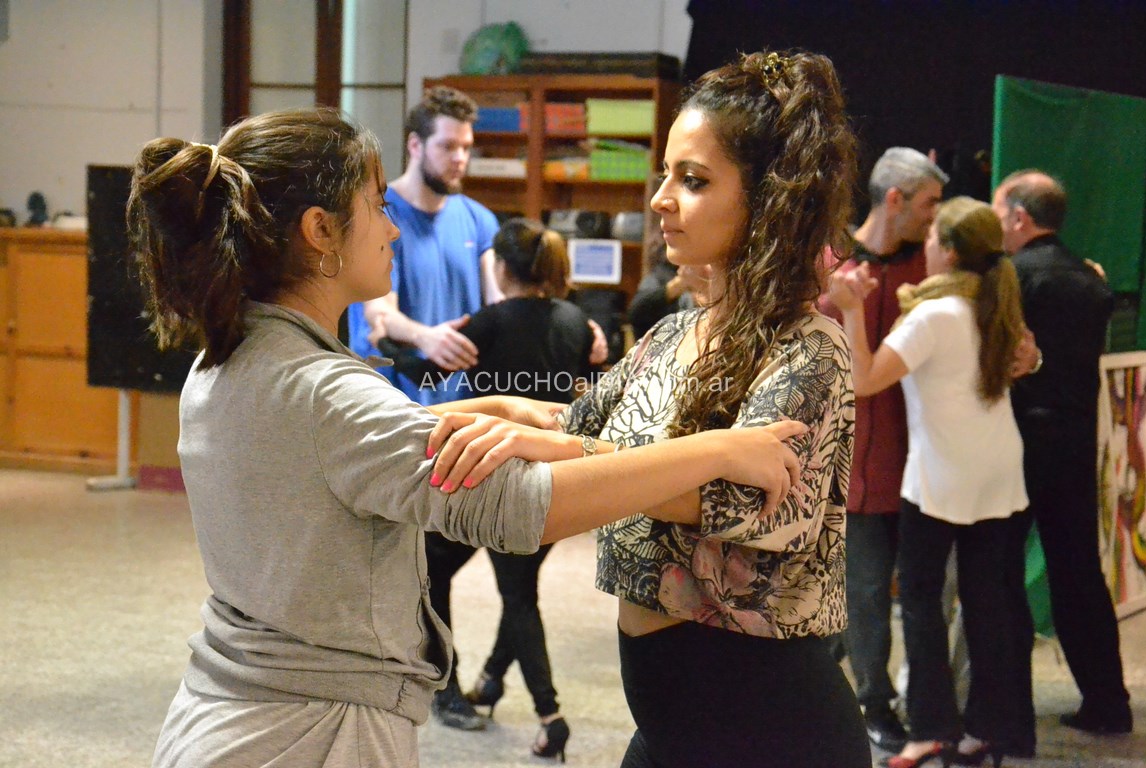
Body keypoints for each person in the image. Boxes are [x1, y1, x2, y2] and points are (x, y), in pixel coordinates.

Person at [129, 107, 808, 768]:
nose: (391, 228)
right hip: (305, 737)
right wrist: (718, 450)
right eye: (376, 206)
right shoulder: (324, 394)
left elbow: (338, 450)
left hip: (231, 716)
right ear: (320, 230)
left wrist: (491, 409)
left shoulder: (234, 358)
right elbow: (524, 504)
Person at [458, 48, 868, 768]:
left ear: (768, 199)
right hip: (672, 729)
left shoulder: (811, 350)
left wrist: (565, 450)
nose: (661, 200)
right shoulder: (674, 334)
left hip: (769, 730)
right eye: (666, 175)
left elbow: (729, 498)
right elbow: (575, 427)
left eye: (694, 180)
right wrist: (494, 412)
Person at [348, 86, 603, 730]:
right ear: (415, 145)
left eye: (468, 147)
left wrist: (575, 329)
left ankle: (464, 678)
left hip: (472, 421)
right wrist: (424, 336)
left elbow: (504, 309)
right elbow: (379, 316)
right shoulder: (380, 215)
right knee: (413, 566)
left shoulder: (480, 221)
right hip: (405, 414)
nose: (461, 158)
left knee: (479, 568)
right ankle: (433, 681)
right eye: (449, 146)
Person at [829, 196, 1031, 768]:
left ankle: (930, 730)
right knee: (988, 602)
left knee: (921, 605)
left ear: (951, 251)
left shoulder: (933, 315)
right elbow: (1023, 359)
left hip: (941, 477)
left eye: (936, 238)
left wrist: (850, 310)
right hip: (997, 473)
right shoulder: (996, 303)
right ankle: (984, 731)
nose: (928, 245)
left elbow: (864, 379)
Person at [382, 216, 592, 757]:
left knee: (468, 579)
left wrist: (386, 345)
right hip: (558, 479)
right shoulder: (577, 322)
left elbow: (427, 372)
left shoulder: (491, 321)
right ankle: (491, 680)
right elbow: (586, 382)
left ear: (500, 268)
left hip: (489, 477)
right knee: (517, 584)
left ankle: (547, 714)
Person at [816, 146, 947, 754]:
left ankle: (866, 690)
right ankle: (873, 702)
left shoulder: (933, 265)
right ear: (895, 200)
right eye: (929, 203)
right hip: (849, 466)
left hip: (923, 464)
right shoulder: (830, 263)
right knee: (866, 591)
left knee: (907, 595)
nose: (935, 216)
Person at [993, 170, 1132, 737]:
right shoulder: (1091, 281)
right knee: (1078, 575)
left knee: (1000, 574)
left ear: (1019, 218)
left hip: (1017, 442)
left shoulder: (1010, 278)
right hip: (1075, 444)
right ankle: (1108, 702)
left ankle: (1008, 711)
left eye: (998, 213)